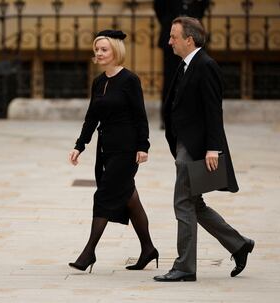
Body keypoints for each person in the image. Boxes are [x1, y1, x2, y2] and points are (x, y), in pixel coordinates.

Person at [153, 17, 254, 282]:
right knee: (194, 204)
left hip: (197, 147)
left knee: (183, 203)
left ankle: (185, 267)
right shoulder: (186, 64)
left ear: (190, 39)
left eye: (174, 37)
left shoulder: (206, 66)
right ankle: (239, 244)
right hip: (185, 143)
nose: (169, 41)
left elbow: (213, 111)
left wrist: (213, 148)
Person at [68, 30, 158, 273]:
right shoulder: (98, 82)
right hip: (105, 149)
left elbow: (141, 116)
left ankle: (89, 252)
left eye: (104, 49)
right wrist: (80, 145)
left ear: (116, 51)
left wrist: (143, 146)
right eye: (97, 49)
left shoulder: (130, 80)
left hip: (127, 150)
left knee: (104, 195)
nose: (99, 53)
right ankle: (148, 249)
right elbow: (91, 118)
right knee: (129, 198)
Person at [153, 0, 210, 129]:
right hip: (172, 38)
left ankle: (195, 116)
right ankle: (167, 117)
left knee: (197, 78)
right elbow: (159, 8)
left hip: (194, 37)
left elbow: (202, 7)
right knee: (171, 79)